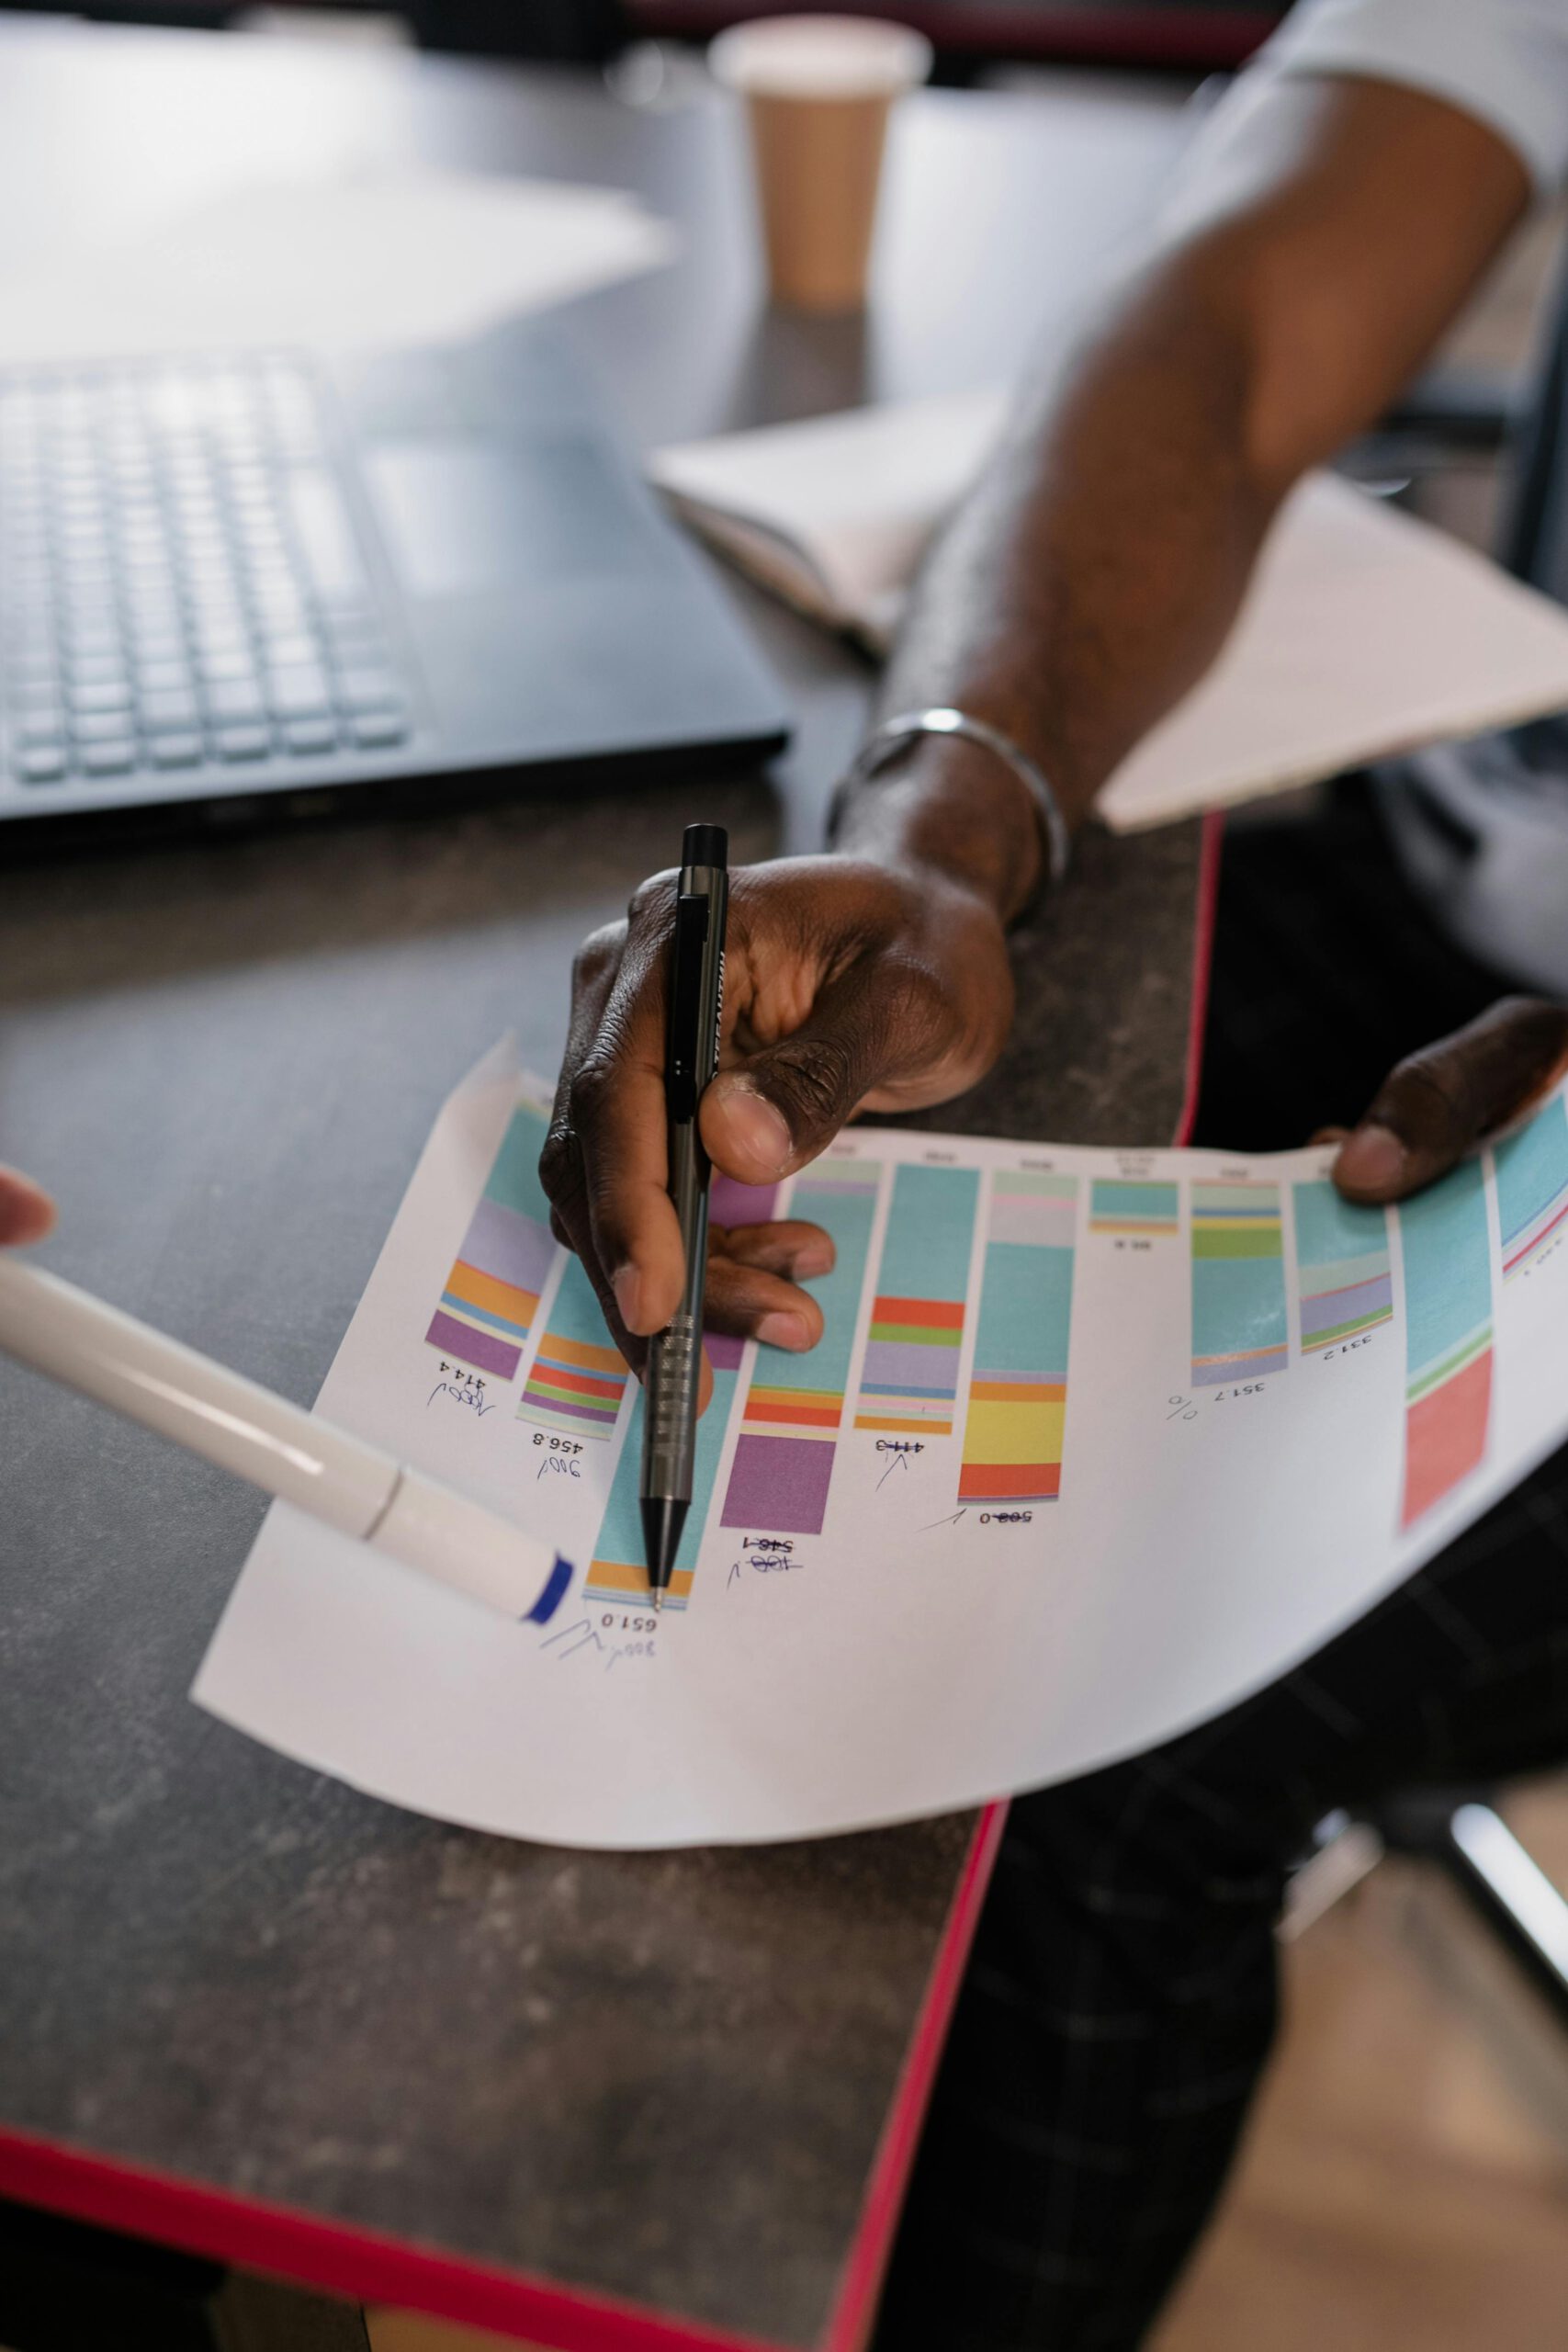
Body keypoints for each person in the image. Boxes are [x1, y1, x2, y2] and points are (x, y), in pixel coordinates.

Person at [541, 3, 1568, 2343]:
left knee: (1115, 1746)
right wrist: (938, 844)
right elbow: (1219, 313)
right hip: (1461, 923)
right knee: (880, 1160)